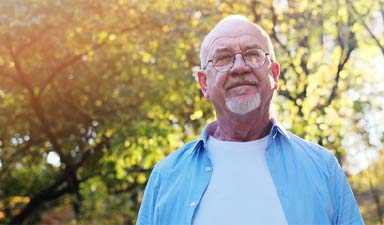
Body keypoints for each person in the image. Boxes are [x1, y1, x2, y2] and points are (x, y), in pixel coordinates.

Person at [136, 15, 364, 225]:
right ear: (204, 84)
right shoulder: (165, 177)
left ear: (274, 75)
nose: (240, 67)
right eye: (223, 58)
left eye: (252, 55)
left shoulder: (323, 168)